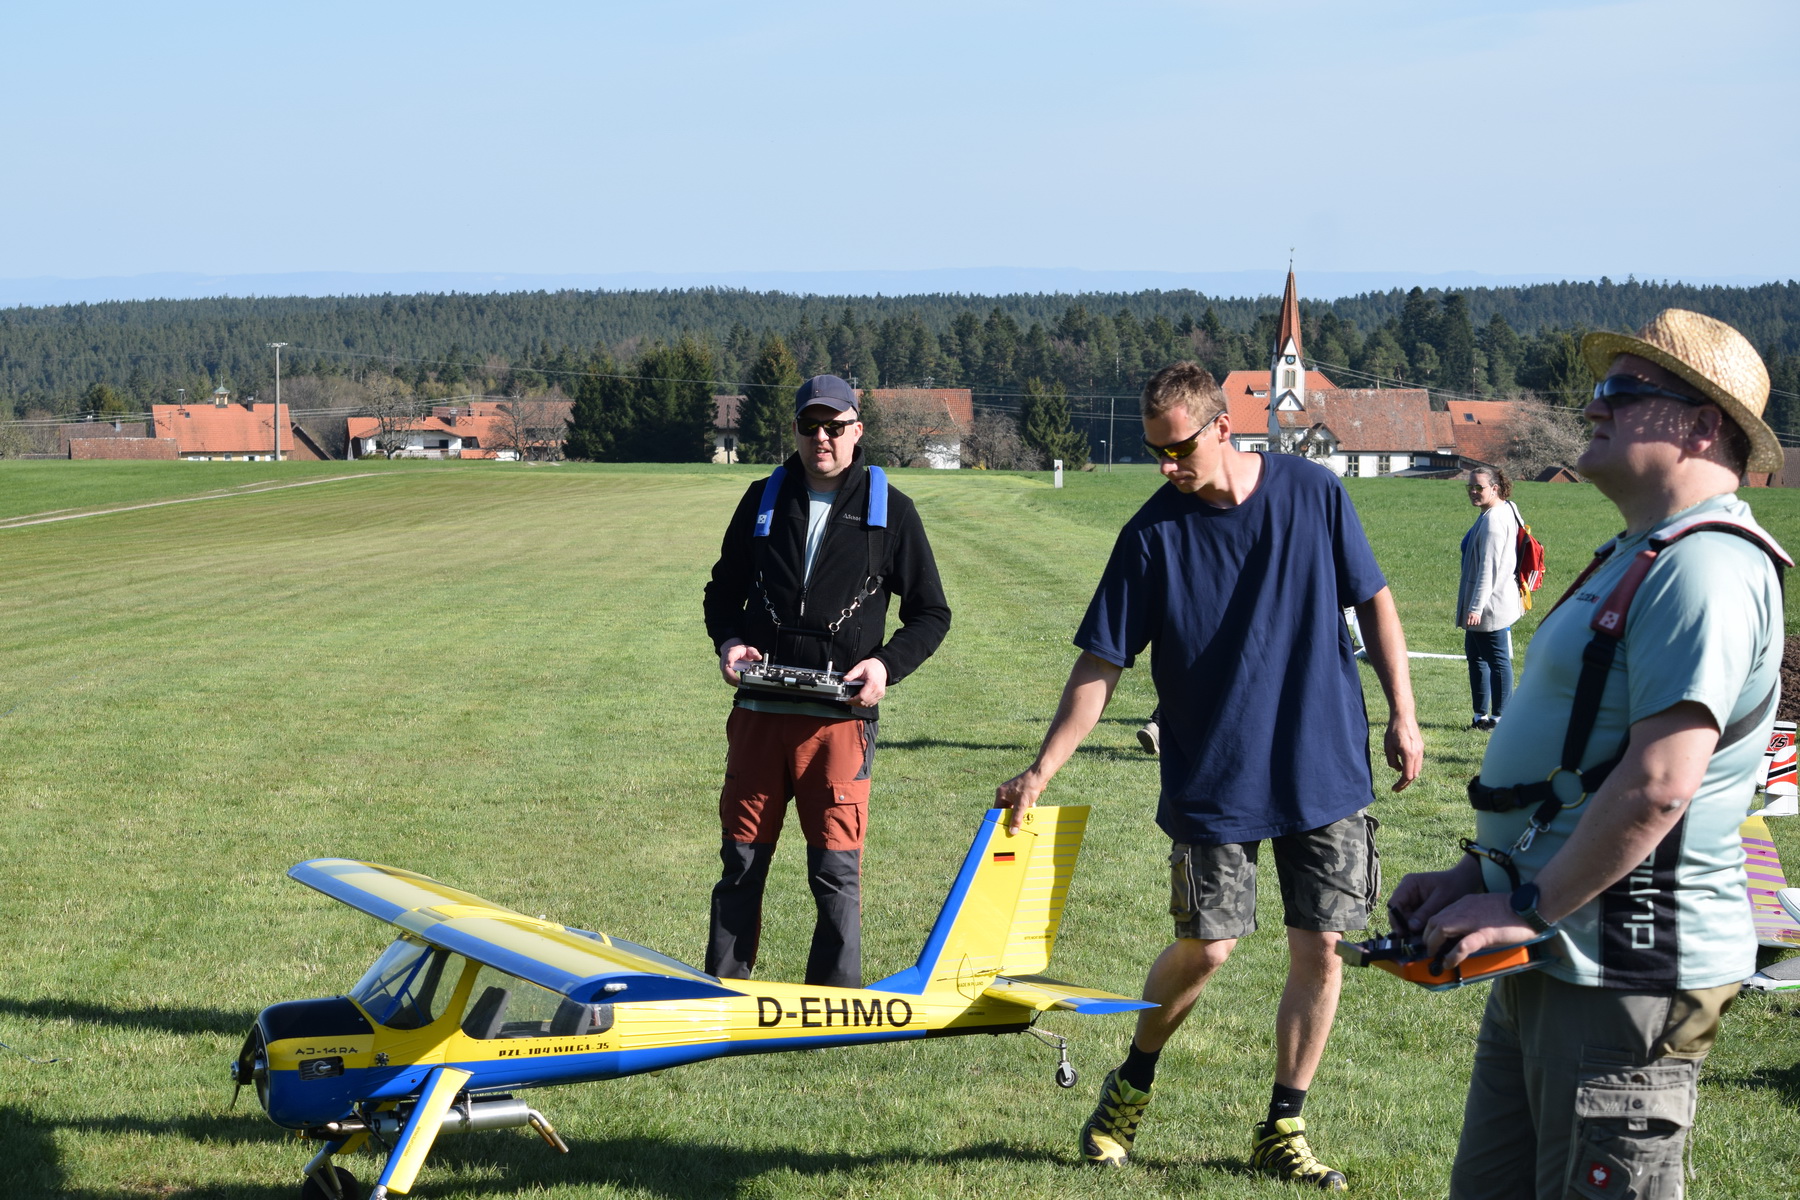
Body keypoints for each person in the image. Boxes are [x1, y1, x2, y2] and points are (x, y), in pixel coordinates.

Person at [994, 362, 1423, 1190]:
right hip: (1215, 771)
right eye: (1155, 450)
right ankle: (1131, 1085)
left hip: (1323, 762)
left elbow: (1373, 600)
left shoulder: (1313, 494)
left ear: (1223, 428)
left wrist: (1402, 712)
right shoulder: (1151, 535)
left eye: (1178, 448)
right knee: (1209, 947)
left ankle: (1283, 1125)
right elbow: (1102, 664)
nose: (1166, 465)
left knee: (1324, 945)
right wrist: (1042, 768)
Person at [1390, 310, 1789, 1200]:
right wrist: (1480, 874)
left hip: (1622, 963)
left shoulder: (1706, 568)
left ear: (1702, 425)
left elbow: (1659, 785)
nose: (1594, 406)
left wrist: (1528, 905)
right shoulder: (1642, 554)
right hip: (1559, 944)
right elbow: (1588, 764)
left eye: (1623, 390)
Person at [702, 375, 951, 988]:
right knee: (741, 863)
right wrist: (729, 641)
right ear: (795, 430)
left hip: (840, 724)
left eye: (835, 427)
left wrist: (885, 665)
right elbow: (722, 592)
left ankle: (835, 1008)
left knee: (835, 873)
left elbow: (931, 613)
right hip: (760, 715)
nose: (822, 438)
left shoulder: (892, 511)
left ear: (857, 430)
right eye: (811, 426)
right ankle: (723, 996)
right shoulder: (762, 500)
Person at [1458, 466, 1523, 731]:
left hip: (1490, 606)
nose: (1473, 492)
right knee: (1476, 658)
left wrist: (1475, 607)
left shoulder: (1494, 521)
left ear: (1494, 488)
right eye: (1470, 487)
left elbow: (1489, 569)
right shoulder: (1504, 508)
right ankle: (1480, 716)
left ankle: (1499, 719)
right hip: (1486, 602)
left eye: (1479, 487)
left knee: (1497, 661)